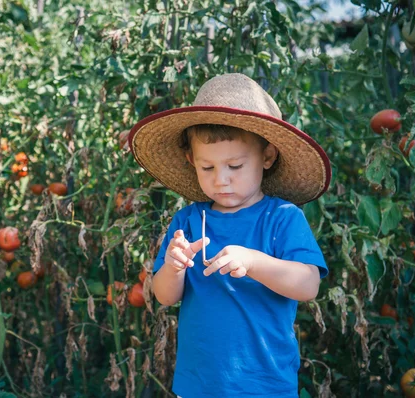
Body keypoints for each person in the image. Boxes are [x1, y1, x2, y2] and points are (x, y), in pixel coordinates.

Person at [128, 73, 331, 397]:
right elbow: (165, 296)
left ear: (267, 156)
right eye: (207, 168)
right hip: (199, 385)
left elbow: (308, 285)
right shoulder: (190, 220)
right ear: (191, 160)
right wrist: (174, 267)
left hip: (264, 386)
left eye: (235, 166)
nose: (221, 180)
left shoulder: (281, 219)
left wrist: (253, 261)